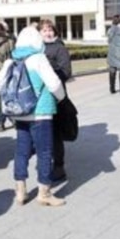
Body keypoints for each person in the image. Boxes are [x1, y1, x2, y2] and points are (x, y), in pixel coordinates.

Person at [0, 26, 67, 207]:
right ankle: (44, 192)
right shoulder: (39, 58)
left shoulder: (12, 60)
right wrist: (61, 98)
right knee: (44, 152)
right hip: (41, 112)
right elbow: (54, 84)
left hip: (20, 113)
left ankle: (20, 191)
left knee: (21, 151)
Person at [39, 20, 72, 181]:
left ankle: (59, 166)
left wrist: (48, 74)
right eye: (44, 30)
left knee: (55, 133)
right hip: (39, 97)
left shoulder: (59, 48)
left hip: (55, 95)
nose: (48, 33)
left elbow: (66, 72)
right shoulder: (37, 48)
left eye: (50, 30)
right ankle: (46, 161)